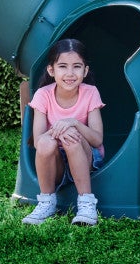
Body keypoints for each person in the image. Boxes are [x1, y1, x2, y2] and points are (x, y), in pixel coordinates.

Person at [23, 38, 105, 225]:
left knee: (71, 137)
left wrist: (73, 123)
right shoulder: (43, 95)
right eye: (62, 66)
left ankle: (86, 204)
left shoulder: (90, 92)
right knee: (46, 142)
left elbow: (97, 140)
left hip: (86, 157)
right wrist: (59, 130)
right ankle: (47, 203)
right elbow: (38, 141)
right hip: (56, 164)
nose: (70, 73)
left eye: (77, 67)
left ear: (85, 71)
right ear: (51, 70)